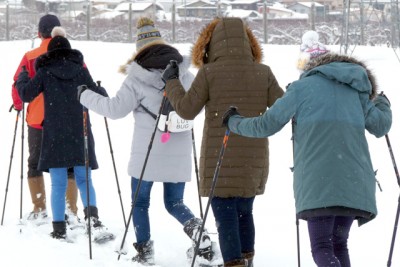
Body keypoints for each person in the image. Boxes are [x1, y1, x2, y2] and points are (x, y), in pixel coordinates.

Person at [222, 30, 392, 267]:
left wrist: (234, 121)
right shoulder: (356, 90)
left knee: (322, 246)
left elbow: (265, 125)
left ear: (309, 67)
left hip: (319, 182)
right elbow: (381, 126)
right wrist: (382, 102)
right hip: (355, 181)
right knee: (338, 244)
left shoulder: (301, 88)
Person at [78, 17, 219, 266]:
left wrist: (85, 95)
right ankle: (199, 234)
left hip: (147, 152)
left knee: (140, 202)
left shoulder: (136, 78)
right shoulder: (185, 75)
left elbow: (114, 110)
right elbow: (197, 107)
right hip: (179, 147)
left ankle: (145, 252)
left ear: (140, 48)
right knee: (174, 202)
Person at [162, 17, 284, 267]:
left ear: (211, 44)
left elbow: (186, 110)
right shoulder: (263, 72)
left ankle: (233, 262)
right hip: (253, 156)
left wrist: (171, 82)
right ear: (248, 42)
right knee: (244, 211)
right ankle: (246, 260)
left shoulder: (209, 72)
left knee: (225, 215)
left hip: (220, 155)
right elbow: (282, 108)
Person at [15, 27, 112, 241]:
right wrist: (100, 88)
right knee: (84, 179)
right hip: (80, 131)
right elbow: (100, 96)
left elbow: (26, 94)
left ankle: (59, 228)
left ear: (50, 53)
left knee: (58, 182)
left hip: (55, 133)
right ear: (69, 51)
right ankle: (93, 220)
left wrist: (22, 77)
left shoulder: (45, 71)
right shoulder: (79, 70)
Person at [11, 14, 78, 221]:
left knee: (34, 163)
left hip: (38, 120)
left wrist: (19, 104)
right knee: (69, 163)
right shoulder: (73, 55)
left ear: (39, 33)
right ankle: (70, 209)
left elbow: (17, 83)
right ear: (59, 30)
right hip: (67, 120)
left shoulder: (30, 56)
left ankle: (39, 208)